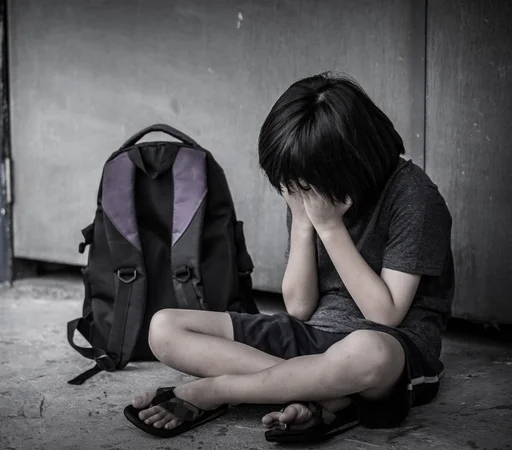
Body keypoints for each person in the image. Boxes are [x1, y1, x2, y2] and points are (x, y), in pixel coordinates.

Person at [123, 72, 455, 443]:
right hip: (312, 334)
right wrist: (301, 223)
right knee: (165, 327)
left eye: (307, 184)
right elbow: (298, 308)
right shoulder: (307, 184)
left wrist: (329, 227)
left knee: (369, 350)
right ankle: (328, 396)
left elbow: (385, 315)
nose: (300, 192)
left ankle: (219, 391)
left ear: (350, 163)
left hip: (391, 347)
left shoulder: (415, 198)